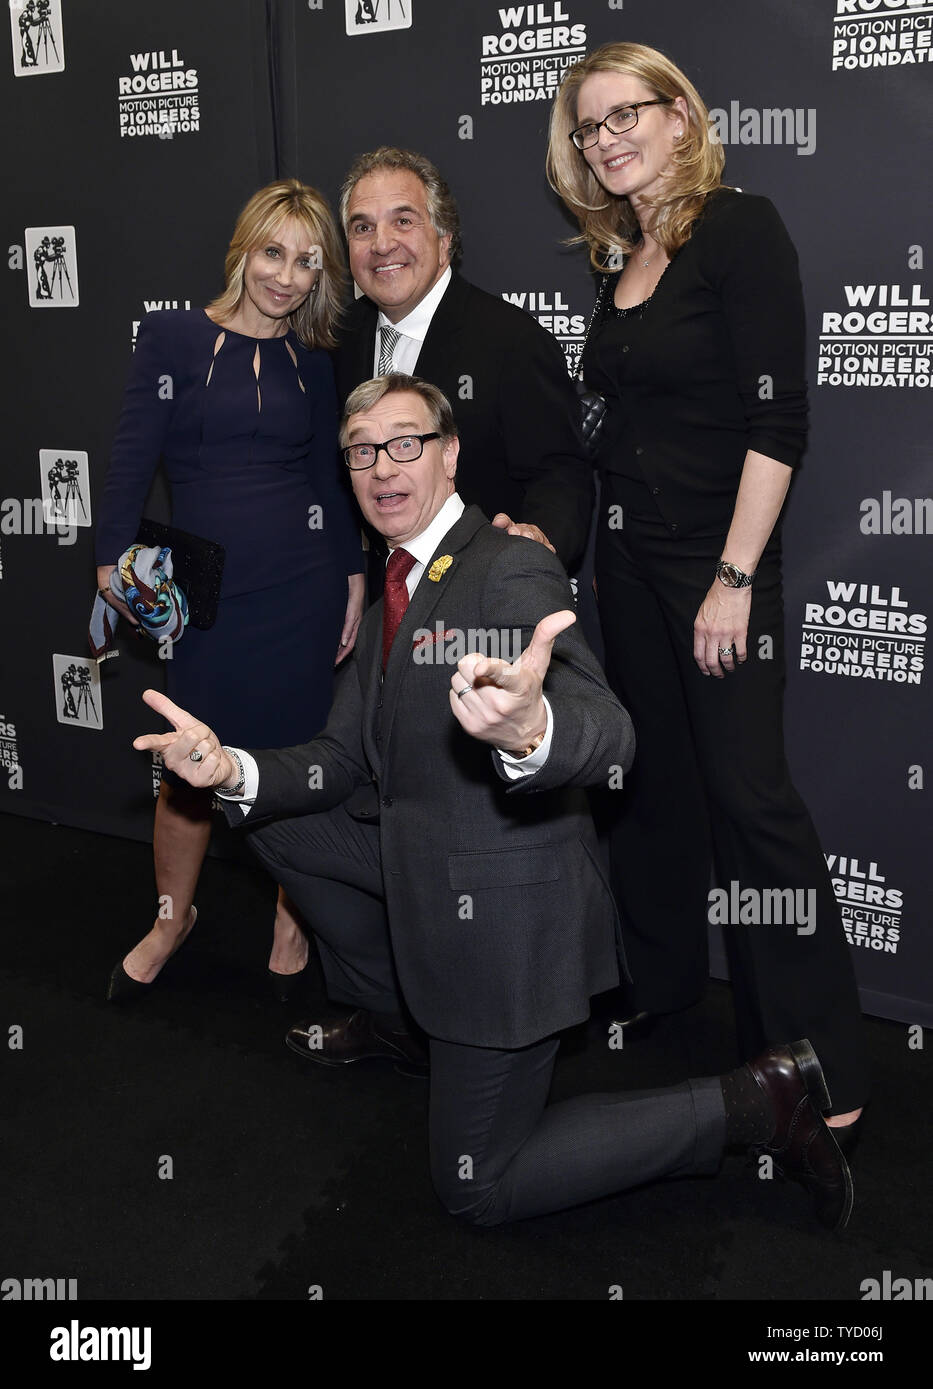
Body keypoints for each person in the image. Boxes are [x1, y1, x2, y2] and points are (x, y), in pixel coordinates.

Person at [131, 374, 853, 1231]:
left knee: (476, 1186)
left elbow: (609, 730)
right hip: (426, 864)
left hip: (506, 921)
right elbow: (333, 760)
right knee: (272, 814)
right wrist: (229, 772)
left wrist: (530, 728)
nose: (380, 466)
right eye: (361, 450)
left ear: (449, 455)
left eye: (404, 443)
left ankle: (757, 1103)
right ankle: (400, 1013)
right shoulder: (395, 575)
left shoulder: (508, 565)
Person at [546, 43, 866, 1146]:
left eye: (626, 113)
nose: (608, 138)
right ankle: (668, 990)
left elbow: (777, 426)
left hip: (713, 566)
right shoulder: (616, 260)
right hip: (627, 567)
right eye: (589, 127)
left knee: (751, 802)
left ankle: (824, 1060)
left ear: (682, 116)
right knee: (653, 789)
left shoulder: (740, 228)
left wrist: (733, 578)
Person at [95, 179, 364, 1002]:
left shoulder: (313, 359)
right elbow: (133, 453)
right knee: (188, 767)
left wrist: (351, 573)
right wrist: (111, 564)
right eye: (273, 253)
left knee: (290, 760)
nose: (286, 277)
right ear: (244, 249)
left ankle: (295, 910)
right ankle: (174, 915)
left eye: (306, 263)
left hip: (304, 587)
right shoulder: (174, 338)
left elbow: (326, 470)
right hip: (207, 596)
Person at [335, 146, 594, 583]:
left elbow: (559, 474)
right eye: (363, 227)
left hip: (480, 605)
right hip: (379, 608)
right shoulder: (338, 339)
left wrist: (538, 545)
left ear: (444, 239)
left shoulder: (511, 340)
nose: (381, 244)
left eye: (403, 221)